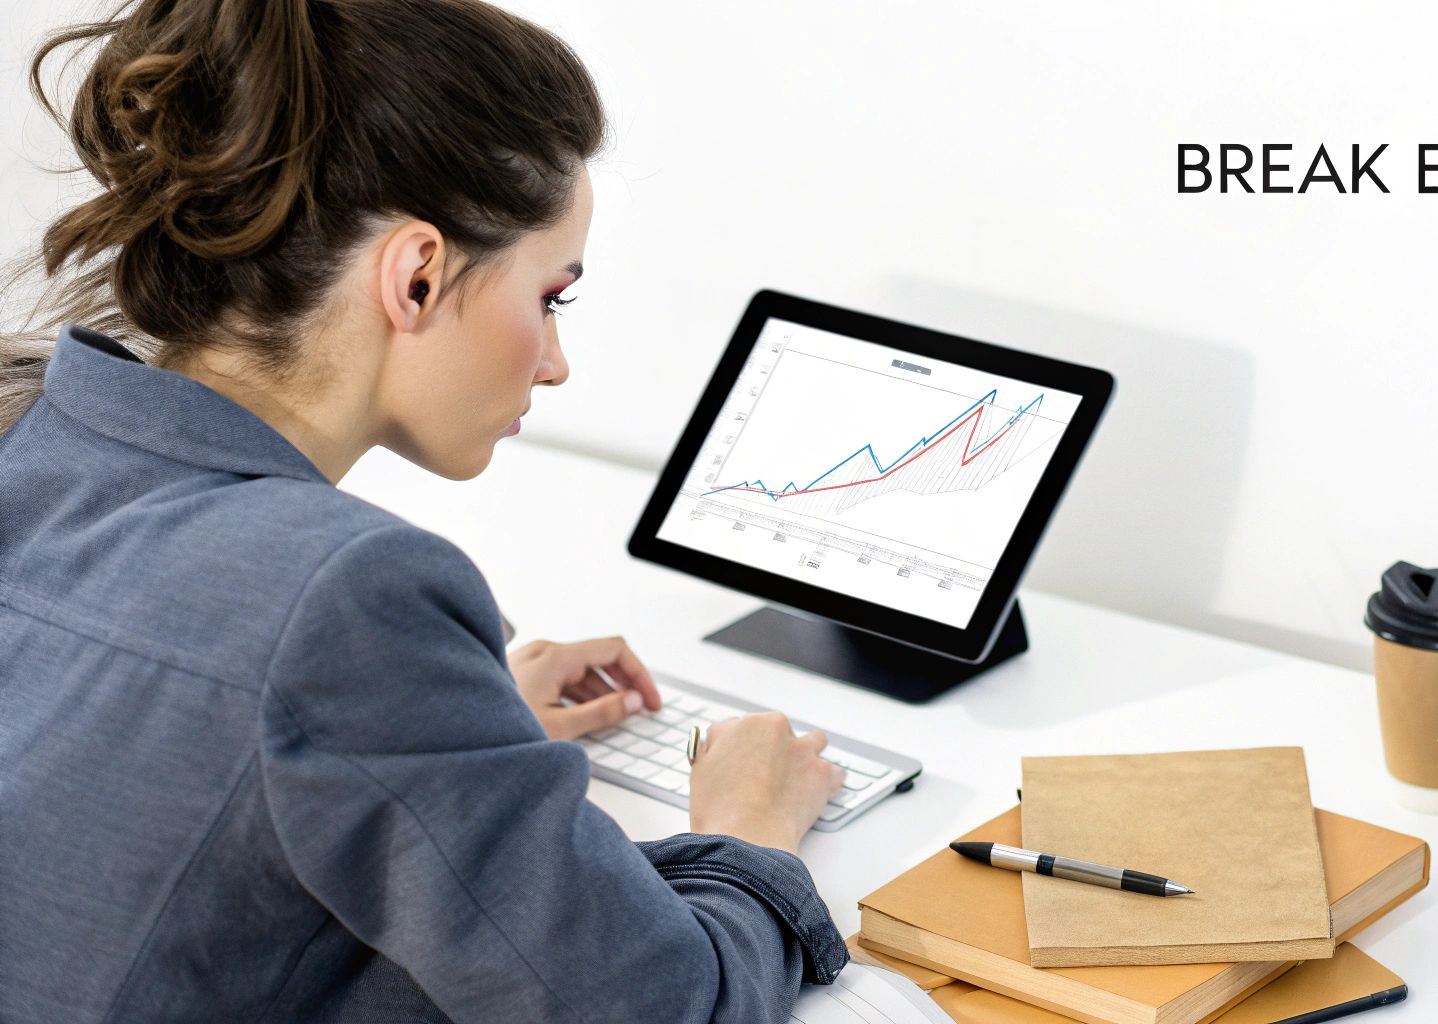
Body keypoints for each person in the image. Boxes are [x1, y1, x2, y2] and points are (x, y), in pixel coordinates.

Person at [0, 1, 849, 1021]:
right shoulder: (347, 596)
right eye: (550, 298)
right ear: (415, 273)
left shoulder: (37, 439)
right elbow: (662, 1006)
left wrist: (436, 733)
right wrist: (749, 830)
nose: (555, 361)